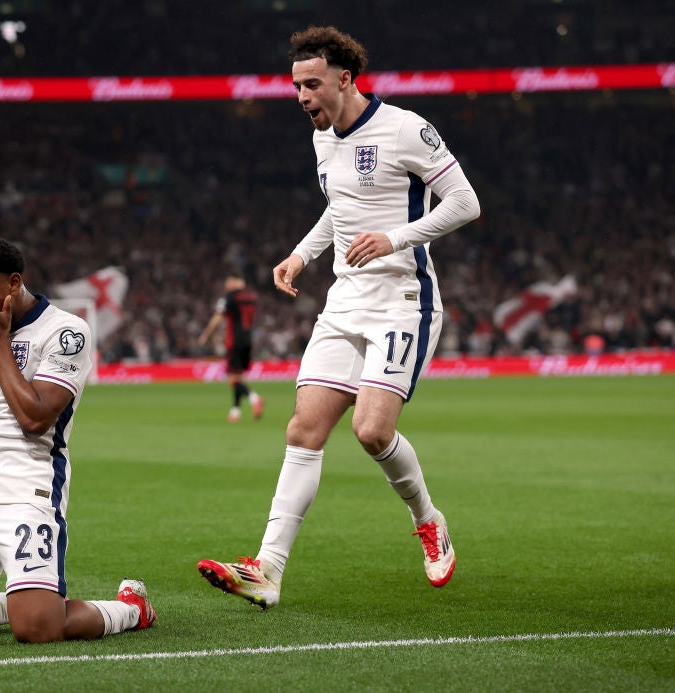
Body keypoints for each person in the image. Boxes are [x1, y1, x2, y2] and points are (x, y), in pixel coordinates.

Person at [198, 26, 481, 608]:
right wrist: (302, 254)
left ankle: (430, 521)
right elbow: (339, 209)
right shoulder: (323, 136)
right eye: (296, 86)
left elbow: (465, 202)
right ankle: (267, 569)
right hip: (344, 302)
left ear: (345, 78)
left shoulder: (405, 129)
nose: (302, 97)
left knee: (372, 431)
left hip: (404, 301)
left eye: (312, 85)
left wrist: (395, 239)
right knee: (303, 430)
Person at [0, 237, 156, 642]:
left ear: (14, 283)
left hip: (28, 488)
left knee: (38, 629)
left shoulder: (66, 331)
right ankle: (11, 600)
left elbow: (35, 418)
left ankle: (129, 609)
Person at [197, 270, 264, 422]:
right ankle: (236, 411)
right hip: (248, 340)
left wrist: (206, 335)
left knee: (233, 378)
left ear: (233, 281)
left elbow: (217, 319)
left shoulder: (229, 298)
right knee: (238, 376)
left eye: (227, 282)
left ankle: (255, 398)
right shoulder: (251, 297)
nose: (226, 286)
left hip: (234, 340)